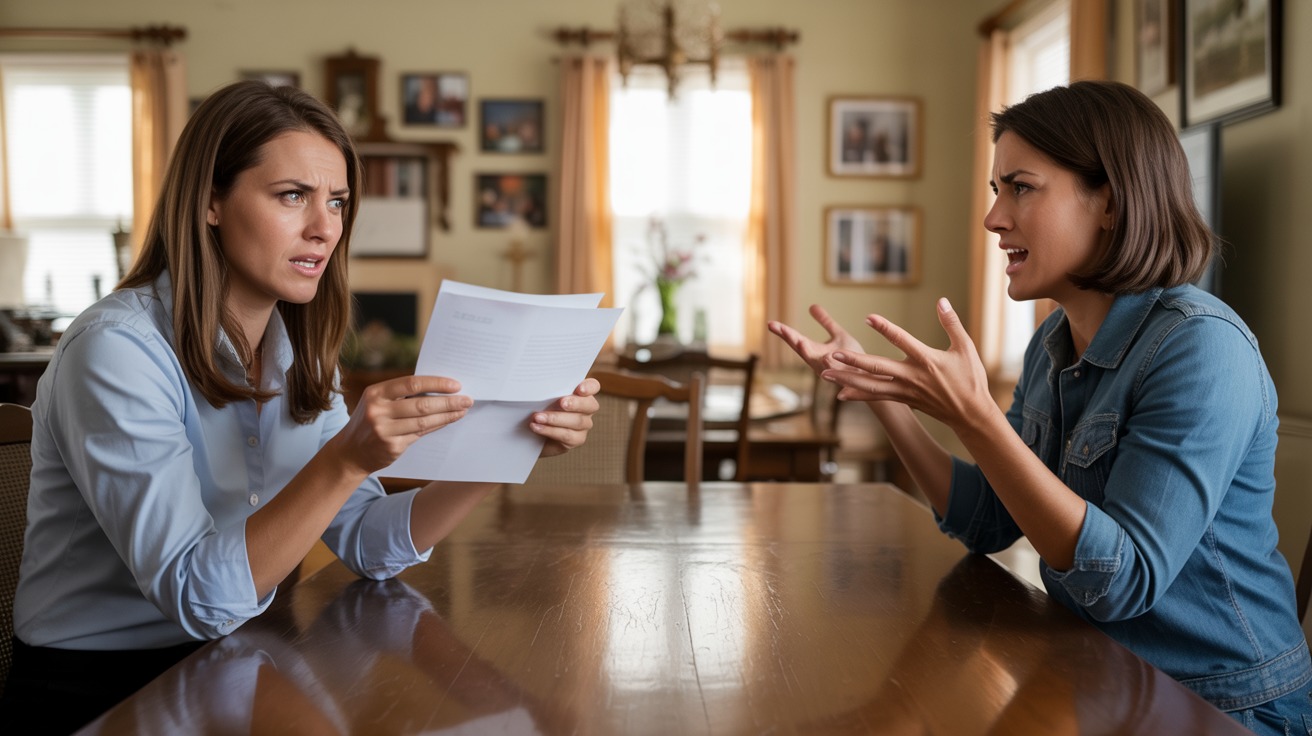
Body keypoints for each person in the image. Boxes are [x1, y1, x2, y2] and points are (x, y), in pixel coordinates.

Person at [0, 80, 599, 734]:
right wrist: (345, 458)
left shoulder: (299, 351)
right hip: (101, 692)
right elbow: (200, 598)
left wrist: (509, 444)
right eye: (293, 196)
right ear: (210, 203)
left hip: (239, 666)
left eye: (337, 202)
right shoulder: (116, 351)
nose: (325, 228)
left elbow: (372, 546)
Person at [769, 80, 1311, 735]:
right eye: (997, 190)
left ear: (1108, 201)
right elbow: (989, 519)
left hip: (1222, 707)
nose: (994, 218)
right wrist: (883, 397)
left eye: (1019, 187)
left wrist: (975, 418)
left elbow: (1123, 581)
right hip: (1100, 678)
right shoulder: (1052, 344)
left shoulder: (1201, 349)